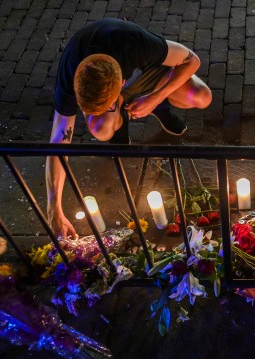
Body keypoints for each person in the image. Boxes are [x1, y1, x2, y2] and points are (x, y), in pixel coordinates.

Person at [47, 18, 212, 238]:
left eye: (106, 106)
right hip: (119, 89)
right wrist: (53, 208)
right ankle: (121, 116)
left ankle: (158, 107)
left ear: (121, 83)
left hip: (148, 75)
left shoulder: (135, 44)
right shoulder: (70, 76)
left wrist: (154, 98)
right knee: (101, 130)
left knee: (202, 96)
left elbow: (192, 60)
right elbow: (58, 145)